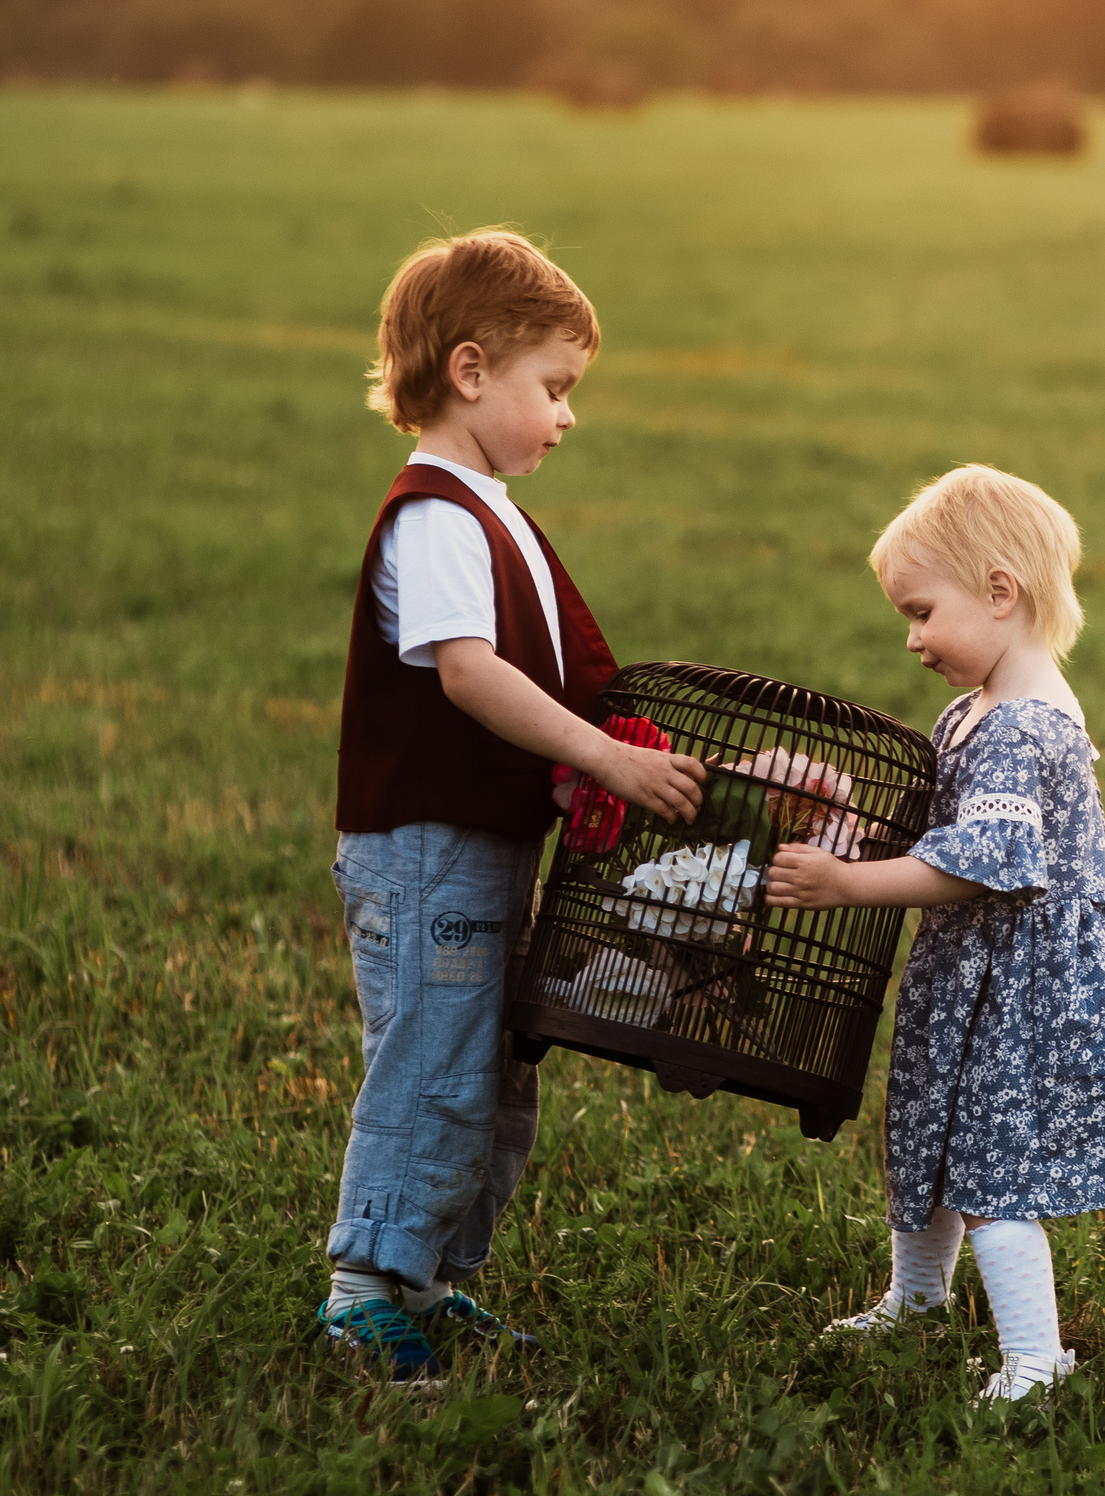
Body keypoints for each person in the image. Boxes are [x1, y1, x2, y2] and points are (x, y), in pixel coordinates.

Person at [318, 228, 705, 1386]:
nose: (567, 417)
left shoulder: (489, 511)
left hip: (476, 851)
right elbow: (470, 673)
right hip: (423, 851)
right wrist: (610, 760)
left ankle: (430, 1279)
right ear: (473, 370)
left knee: (493, 1070)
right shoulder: (438, 516)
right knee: (434, 1061)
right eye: (556, 388)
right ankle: (361, 1286)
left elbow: (562, 672)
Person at [766, 464, 1105, 1403]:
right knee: (933, 1133)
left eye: (919, 611)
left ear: (999, 592)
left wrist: (846, 883)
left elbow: (977, 864)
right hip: (971, 971)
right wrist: (853, 832)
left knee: (993, 1166)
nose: (910, 639)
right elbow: (943, 834)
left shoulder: (1023, 727)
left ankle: (1036, 1361)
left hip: (1022, 985)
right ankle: (916, 1296)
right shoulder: (972, 711)